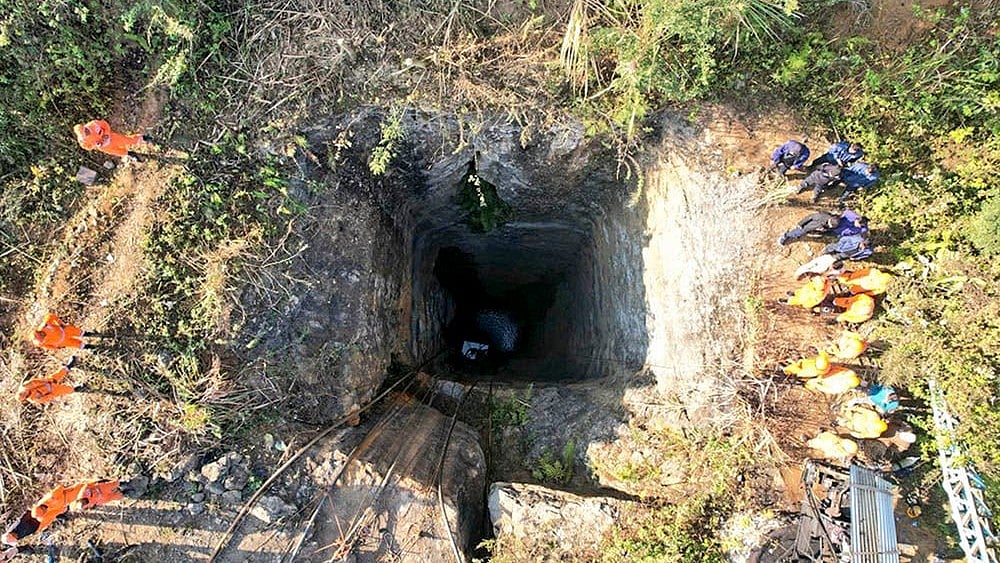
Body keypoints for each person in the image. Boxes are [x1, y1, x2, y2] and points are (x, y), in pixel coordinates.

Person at [3, 483, 86, 545]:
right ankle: (63, 510)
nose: (16, 539)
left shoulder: (18, 525)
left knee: (56, 509)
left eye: (14, 538)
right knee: (56, 512)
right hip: (40, 523)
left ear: (11, 534)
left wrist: (38, 515)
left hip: (40, 518)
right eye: (16, 539)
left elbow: (27, 514)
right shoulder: (18, 536)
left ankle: (64, 509)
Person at [73, 120, 144, 158]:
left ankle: (143, 138)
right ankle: (130, 154)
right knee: (117, 152)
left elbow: (104, 124)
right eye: (84, 134)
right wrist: (95, 145)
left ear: (84, 127)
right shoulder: (82, 140)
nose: (86, 133)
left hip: (112, 138)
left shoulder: (93, 124)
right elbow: (88, 147)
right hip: (104, 147)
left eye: (85, 131)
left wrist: (106, 134)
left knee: (128, 140)